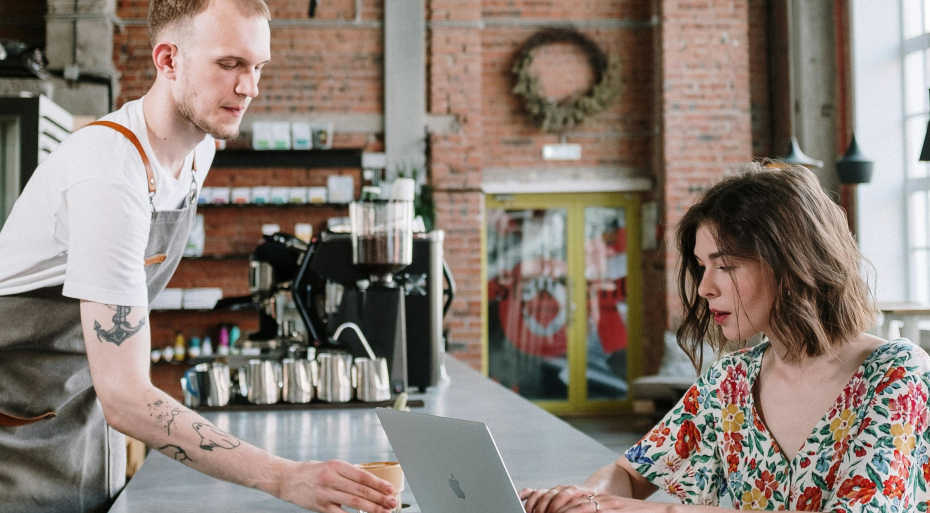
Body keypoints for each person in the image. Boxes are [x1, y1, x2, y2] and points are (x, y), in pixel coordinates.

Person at [0, 1, 397, 512]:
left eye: (258, 67)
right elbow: (125, 395)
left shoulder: (198, 152)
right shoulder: (109, 175)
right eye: (229, 64)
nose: (249, 87)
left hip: (78, 418)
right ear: (168, 61)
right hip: (13, 434)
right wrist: (283, 477)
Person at [520, 163, 930, 513]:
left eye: (727, 266)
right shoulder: (730, 382)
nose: (704, 288)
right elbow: (628, 473)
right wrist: (585, 500)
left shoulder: (895, 373)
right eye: (701, 267)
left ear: (793, 263)